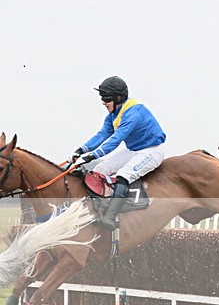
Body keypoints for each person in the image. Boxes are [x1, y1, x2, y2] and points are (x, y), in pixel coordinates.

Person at [70, 76, 166, 230]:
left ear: (119, 97)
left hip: (152, 151)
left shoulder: (133, 113)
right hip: (133, 150)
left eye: (106, 99)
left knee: (123, 175)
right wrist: (81, 150)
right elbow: (102, 135)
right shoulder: (113, 115)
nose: (103, 102)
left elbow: (115, 140)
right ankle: (99, 208)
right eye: (102, 98)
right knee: (99, 170)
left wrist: (92, 155)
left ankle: (111, 217)